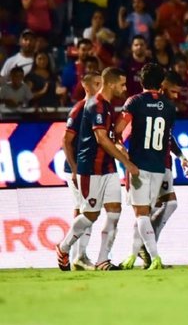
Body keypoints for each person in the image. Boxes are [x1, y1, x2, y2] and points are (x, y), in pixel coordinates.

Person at [56, 67, 137, 271]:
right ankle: (64, 248)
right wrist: (126, 163)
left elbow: (108, 137)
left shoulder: (108, 106)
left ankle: (103, 259)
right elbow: (101, 139)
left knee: (114, 212)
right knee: (91, 215)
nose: (125, 88)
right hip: (90, 168)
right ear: (109, 84)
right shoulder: (96, 105)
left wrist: (118, 146)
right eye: (122, 84)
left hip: (108, 168)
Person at [120, 70, 188, 269]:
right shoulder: (164, 106)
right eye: (173, 91)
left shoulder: (147, 104)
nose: (176, 96)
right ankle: (144, 253)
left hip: (158, 163)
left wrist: (181, 156)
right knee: (146, 210)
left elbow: (167, 136)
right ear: (162, 85)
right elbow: (127, 132)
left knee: (158, 207)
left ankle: (144, 250)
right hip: (155, 164)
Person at [61, 71, 102, 270]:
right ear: (87, 87)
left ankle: (77, 255)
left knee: (84, 210)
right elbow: (65, 141)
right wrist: (75, 169)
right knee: (88, 210)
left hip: (88, 168)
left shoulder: (97, 108)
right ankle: (76, 254)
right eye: (97, 84)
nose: (100, 87)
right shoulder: (79, 110)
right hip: (76, 169)